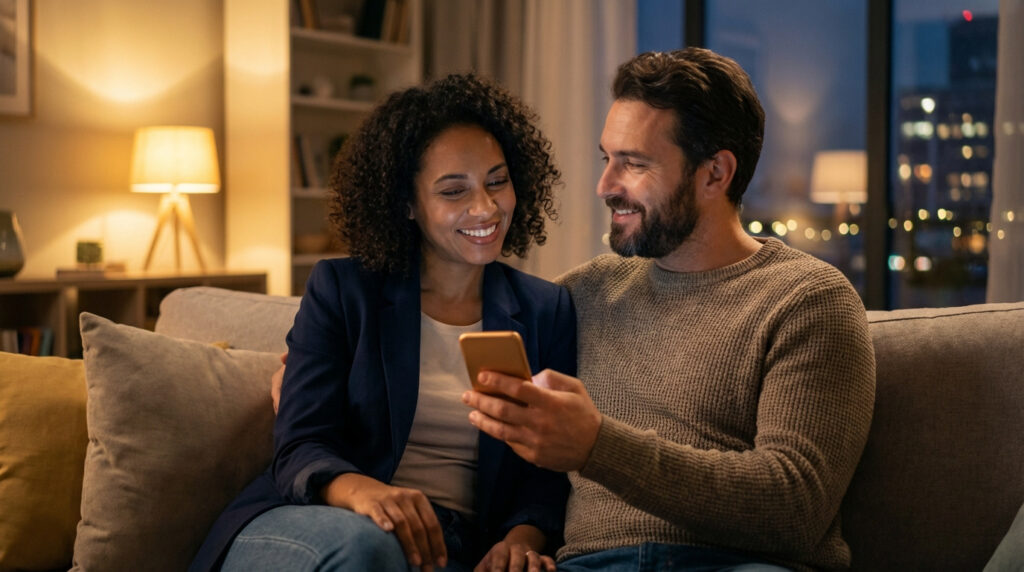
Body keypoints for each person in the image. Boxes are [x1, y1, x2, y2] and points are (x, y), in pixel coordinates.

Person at [461, 47, 876, 572]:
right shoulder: (578, 296)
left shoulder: (807, 299)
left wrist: (598, 445)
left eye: (633, 164)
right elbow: (525, 471)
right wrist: (521, 537)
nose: (606, 186)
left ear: (714, 174)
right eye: (606, 159)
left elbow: (795, 507)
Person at [190, 73, 575, 572]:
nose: (485, 207)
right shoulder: (343, 291)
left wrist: (521, 541)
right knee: (367, 546)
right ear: (408, 205)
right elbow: (301, 443)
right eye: (453, 191)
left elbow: (546, 472)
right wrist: (364, 492)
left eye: (497, 181)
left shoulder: (547, 310)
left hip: (451, 548)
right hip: (320, 521)